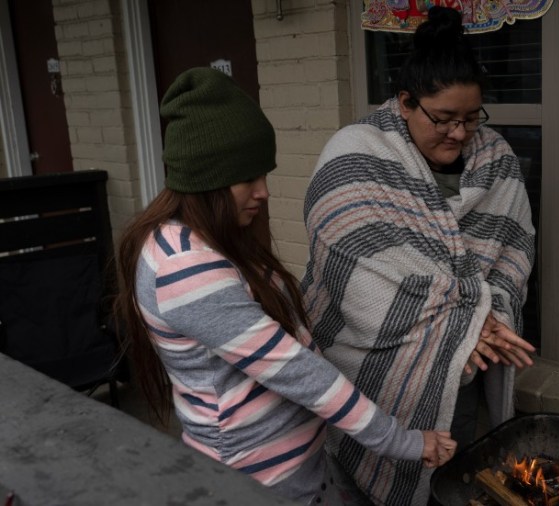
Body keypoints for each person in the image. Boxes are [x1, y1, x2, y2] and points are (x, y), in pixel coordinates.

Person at [114, 67, 456, 505]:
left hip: (295, 469)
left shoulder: (201, 240)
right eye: (248, 178)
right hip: (258, 479)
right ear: (208, 180)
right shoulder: (187, 267)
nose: (264, 192)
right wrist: (404, 442)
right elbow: (296, 371)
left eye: (264, 175)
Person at [301, 6, 537, 505]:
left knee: (454, 481)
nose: (459, 133)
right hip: (368, 371)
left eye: (472, 119)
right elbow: (354, 255)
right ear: (406, 103)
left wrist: (482, 318)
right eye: (444, 118)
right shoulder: (358, 150)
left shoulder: (495, 159)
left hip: (463, 369)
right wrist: (468, 321)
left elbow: (512, 249)